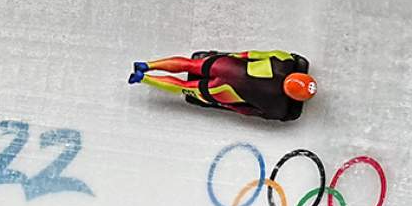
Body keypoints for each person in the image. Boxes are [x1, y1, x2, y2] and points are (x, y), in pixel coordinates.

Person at [128, 50, 316, 121]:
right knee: (184, 87)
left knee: (190, 64)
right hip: (225, 93)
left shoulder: (285, 61)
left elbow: (251, 54)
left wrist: (230, 57)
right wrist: (226, 105)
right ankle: (143, 79)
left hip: (228, 66)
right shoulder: (279, 109)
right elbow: (246, 111)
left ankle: (148, 65)